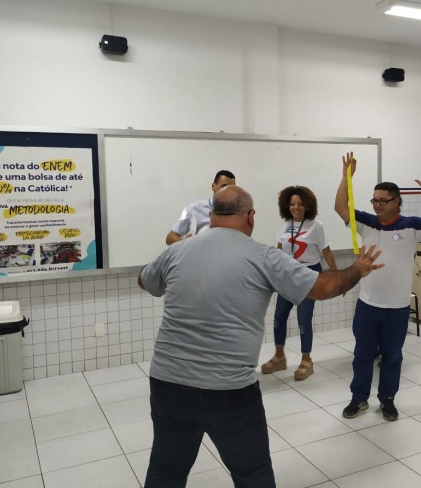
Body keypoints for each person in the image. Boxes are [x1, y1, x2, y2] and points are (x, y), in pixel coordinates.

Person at [139, 185, 383, 488]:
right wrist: (358, 269)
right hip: (228, 391)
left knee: (165, 472)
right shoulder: (263, 256)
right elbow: (325, 287)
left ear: (212, 215)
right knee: (253, 476)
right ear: (251, 217)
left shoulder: (177, 251)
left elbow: (145, 280)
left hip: (167, 384)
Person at [334, 152, 421, 421]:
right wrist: (346, 177)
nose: (377, 205)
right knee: (362, 355)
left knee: (392, 357)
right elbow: (340, 207)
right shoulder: (366, 222)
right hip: (367, 305)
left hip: (397, 308)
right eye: (374, 200)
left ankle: (387, 399)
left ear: (397, 201)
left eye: (382, 201)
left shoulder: (411, 226)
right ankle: (359, 398)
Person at [260, 186, 338, 381]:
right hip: (288, 275)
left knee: (304, 319)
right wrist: (274, 276)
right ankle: (279, 357)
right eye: (292, 204)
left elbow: (327, 252)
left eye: (300, 204)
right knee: (279, 317)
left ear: (308, 205)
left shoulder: (316, 226)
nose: (296, 207)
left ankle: (306, 360)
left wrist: (337, 278)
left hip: (309, 275)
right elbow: (279, 252)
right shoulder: (284, 226)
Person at [165, 169, 236, 244]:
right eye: (224, 186)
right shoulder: (194, 209)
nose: (228, 191)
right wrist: (185, 243)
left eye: (232, 189)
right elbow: (170, 238)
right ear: (213, 186)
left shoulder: (237, 212)